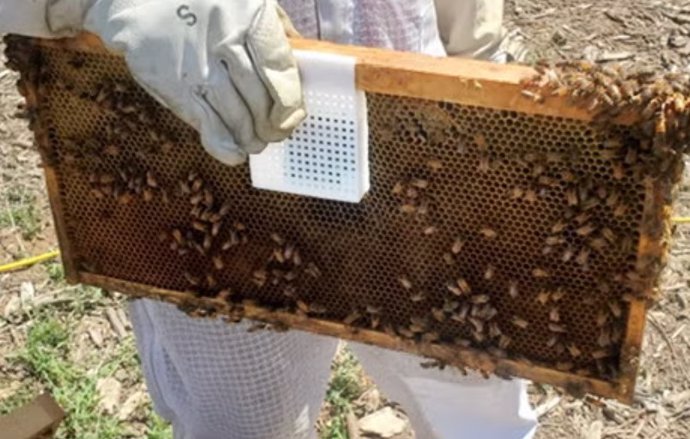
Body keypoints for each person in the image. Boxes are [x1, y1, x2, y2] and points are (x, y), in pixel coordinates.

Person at [0, 1, 537, 438]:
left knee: (474, 394)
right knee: (249, 419)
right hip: (200, 136)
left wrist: (481, 58)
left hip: (420, 125)